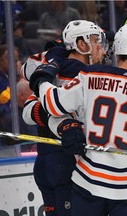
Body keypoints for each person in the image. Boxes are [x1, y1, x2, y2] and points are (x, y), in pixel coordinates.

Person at [28, 24, 127, 216]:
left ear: (115, 51)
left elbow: (52, 103)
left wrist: (41, 81)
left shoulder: (91, 75)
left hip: (88, 183)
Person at [22, 20, 107, 216]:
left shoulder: (53, 67)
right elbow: (29, 112)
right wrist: (63, 124)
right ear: (81, 44)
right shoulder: (81, 74)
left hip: (47, 162)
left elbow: (28, 110)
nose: (101, 49)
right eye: (96, 41)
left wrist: (59, 121)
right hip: (67, 163)